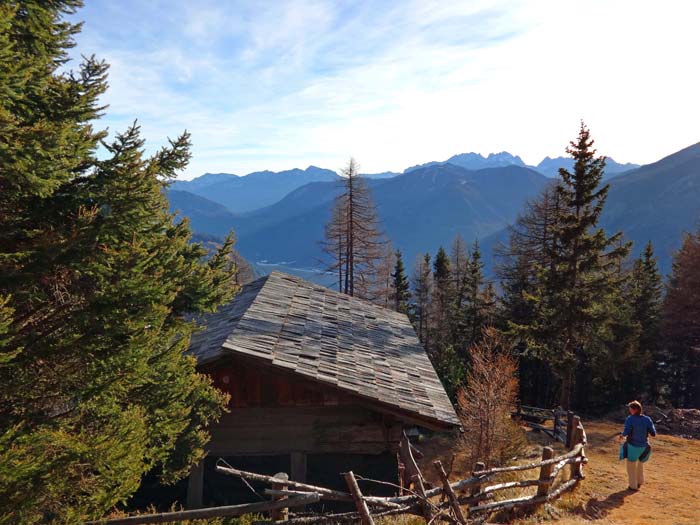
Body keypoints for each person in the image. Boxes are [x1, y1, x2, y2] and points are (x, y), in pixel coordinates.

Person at [618, 400, 656, 491]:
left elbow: (627, 431)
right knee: (640, 463)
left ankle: (633, 486)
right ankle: (640, 481)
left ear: (635, 409)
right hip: (644, 447)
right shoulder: (647, 419)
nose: (629, 410)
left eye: (630, 408)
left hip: (633, 446)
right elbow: (653, 433)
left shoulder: (630, 419)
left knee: (631, 465)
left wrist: (622, 435)